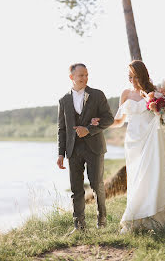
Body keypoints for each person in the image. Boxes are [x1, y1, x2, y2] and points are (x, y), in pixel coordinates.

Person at [91, 60, 165, 234]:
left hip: (150, 140)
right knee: (135, 177)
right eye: (129, 76)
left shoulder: (155, 93)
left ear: (142, 75)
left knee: (150, 176)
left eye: (135, 76)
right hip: (133, 141)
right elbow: (119, 121)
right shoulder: (126, 94)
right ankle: (136, 219)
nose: (132, 80)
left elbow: (162, 116)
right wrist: (101, 123)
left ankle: (153, 217)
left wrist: (161, 107)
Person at [57, 63, 114, 232]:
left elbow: (109, 119)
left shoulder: (97, 95)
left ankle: (101, 221)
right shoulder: (63, 100)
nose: (84, 78)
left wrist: (88, 129)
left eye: (86, 75)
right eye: (80, 75)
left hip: (94, 147)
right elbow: (62, 129)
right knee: (76, 189)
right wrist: (60, 154)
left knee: (97, 185)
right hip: (73, 149)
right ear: (71, 77)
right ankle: (79, 226)